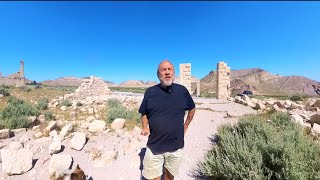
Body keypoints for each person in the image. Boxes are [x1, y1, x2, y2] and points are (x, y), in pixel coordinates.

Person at [139, 60, 196, 180]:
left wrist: (185, 126)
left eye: (169, 69)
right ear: (158, 74)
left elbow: (192, 108)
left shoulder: (182, 91)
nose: (167, 72)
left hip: (176, 146)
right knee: (153, 178)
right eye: (163, 70)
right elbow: (144, 112)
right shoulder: (150, 92)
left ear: (174, 72)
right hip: (154, 146)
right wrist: (145, 126)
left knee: (169, 177)